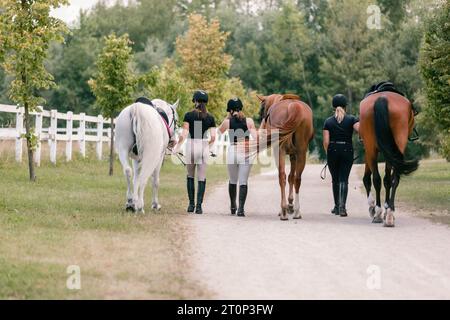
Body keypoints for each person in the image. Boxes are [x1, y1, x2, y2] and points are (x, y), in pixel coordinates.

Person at [176, 90, 216, 214]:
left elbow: (184, 134)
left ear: (195, 101)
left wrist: (177, 146)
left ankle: (191, 205)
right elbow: (213, 137)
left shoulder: (189, 115)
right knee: (202, 177)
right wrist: (206, 145)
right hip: (203, 146)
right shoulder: (210, 118)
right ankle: (199, 207)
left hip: (191, 145)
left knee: (190, 175)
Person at [218, 98, 257, 217]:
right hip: (245, 151)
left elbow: (218, 132)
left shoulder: (227, 121)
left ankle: (233, 206)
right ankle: (241, 209)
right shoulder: (249, 121)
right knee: (243, 181)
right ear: (241, 108)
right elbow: (256, 138)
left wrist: (227, 118)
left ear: (230, 110)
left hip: (233, 151)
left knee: (233, 180)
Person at [323, 94, 360, 217]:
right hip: (347, 150)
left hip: (333, 150)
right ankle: (342, 207)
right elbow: (360, 130)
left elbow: (326, 142)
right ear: (345, 107)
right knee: (344, 179)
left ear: (333, 107)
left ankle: (336, 207)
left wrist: (327, 152)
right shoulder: (352, 119)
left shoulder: (328, 121)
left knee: (335, 180)